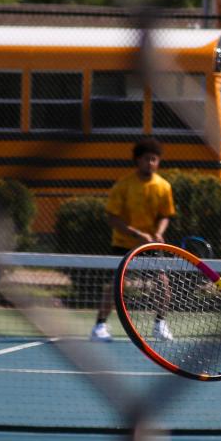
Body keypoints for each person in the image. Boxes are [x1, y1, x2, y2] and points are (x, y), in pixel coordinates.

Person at [91, 136, 176, 341]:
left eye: (154, 159)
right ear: (138, 160)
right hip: (123, 245)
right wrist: (137, 235)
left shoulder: (164, 186)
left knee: (163, 285)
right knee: (115, 286)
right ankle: (99, 327)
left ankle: (159, 325)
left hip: (150, 246)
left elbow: (166, 215)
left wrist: (159, 232)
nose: (151, 163)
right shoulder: (123, 186)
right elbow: (112, 218)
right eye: (147, 159)